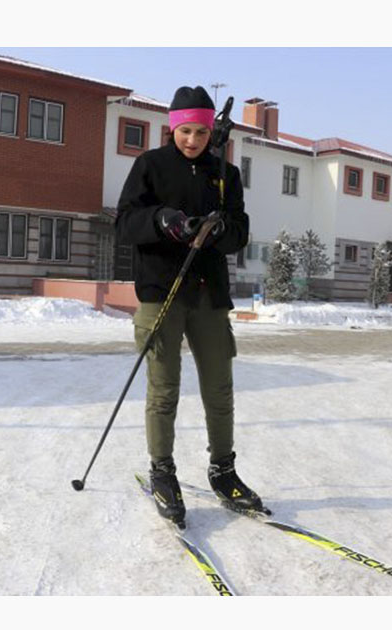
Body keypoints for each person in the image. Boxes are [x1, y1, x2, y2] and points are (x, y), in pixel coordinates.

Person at [115, 86, 265, 525]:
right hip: (162, 293)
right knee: (164, 391)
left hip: (209, 295)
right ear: (173, 128)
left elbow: (240, 230)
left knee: (220, 389)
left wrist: (219, 232)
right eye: (185, 131)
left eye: (201, 131)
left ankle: (224, 471)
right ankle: (163, 471)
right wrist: (165, 221)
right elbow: (125, 222)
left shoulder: (226, 173)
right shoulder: (150, 166)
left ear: (210, 131)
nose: (193, 140)